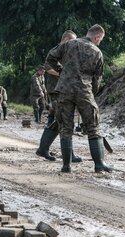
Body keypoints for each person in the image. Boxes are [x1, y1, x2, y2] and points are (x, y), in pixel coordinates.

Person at [45, 24, 112, 173]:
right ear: (97, 37)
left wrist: (62, 71)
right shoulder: (97, 52)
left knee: (65, 128)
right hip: (84, 91)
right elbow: (97, 79)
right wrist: (91, 94)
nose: (100, 42)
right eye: (100, 39)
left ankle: (66, 166)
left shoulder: (69, 44)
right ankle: (99, 164)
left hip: (64, 90)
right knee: (93, 127)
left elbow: (50, 58)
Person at [36, 30, 82, 163]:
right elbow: (48, 67)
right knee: (65, 121)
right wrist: (64, 74)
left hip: (64, 90)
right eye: (73, 41)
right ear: (66, 39)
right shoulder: (57, 50)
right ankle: (68, 154)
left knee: (59, 120)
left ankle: (43, 149)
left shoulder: (67, 51)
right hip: (56, 90)